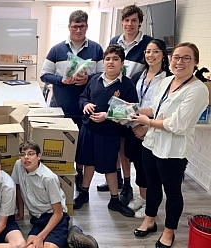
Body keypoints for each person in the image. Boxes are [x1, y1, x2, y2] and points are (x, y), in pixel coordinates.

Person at [131, 42, 209, 248]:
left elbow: (178, 125)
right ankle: (149, 220)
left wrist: (147, 122)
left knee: (172, 192)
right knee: (153, 185)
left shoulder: (198, 90)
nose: (179, 62)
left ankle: (169, 231)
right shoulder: (166, 81)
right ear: (170, 59)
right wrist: (131, 110)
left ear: (195, 62)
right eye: (176, 57)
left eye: (186, 58)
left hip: (173, 150)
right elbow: (154, 108)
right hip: (152, 143)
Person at [40, 10, 104, 193]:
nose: (78, 30)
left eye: (81, 26)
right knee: (61, 145)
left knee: (81, 147)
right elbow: (44, 75)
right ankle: (60, 176)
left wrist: (88, 79)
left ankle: (79, 174)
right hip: (61, 107)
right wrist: (62, 80)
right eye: (75, 26)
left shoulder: (96, 49)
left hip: (85, 108)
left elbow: (102, 75)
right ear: (69, 27)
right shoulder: (56, 49)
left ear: (86, 27)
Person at [72, 45, 138, 218]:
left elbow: (132, 111)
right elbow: (83, 97)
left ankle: (114, 200)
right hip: (89, 129)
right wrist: (85, 104)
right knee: (88, 163)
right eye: (108, 59)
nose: (111, 62)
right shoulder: (94, 79)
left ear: (122, 63)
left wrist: (107, 115)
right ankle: (84, 193)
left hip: (110, 133)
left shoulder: (127, 84)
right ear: (103, 61)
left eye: (115, 59)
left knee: (109, 166)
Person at [98, 5, 153, 205]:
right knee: (117, 144)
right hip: (115, 99)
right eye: (126, 20)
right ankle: (120, 180)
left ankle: (129, 185)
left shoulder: (148, 43)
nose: (130, 24)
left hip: (135, 101)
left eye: (134, 21)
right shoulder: (115, 41)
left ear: (140, 22)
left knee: (127, 146)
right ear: (122, 22)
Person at [125, 39, 172, 218]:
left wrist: (146, 127)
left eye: (155, 52)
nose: (150, 55)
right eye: (147, 52)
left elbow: (163, 108)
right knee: (139, 165)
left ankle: (151, 206)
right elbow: (134, 102)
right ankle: (143, 198)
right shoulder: (139, 75)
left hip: (153, 128)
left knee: (151, 171)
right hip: (135, 126)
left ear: (163, 55)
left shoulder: (168, 79)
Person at [11, 140, 70, 248]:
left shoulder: (48, 178)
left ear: (39, 156)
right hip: (38, 218)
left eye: (31, 154)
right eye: (23, 155)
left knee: (48, 246)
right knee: (30, 246)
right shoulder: (18, 165)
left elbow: (58, 213)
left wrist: (41, 236)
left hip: (54, 216)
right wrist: (20, 211)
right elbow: (18, 187)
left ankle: (70, 237)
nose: (26, 157)